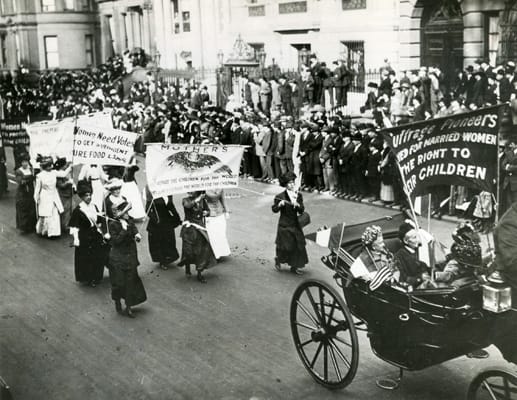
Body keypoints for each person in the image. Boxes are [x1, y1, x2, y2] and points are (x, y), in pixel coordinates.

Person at [106, 201, 147, 318]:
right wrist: (124, 230)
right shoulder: (113, 224)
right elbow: (116, 241)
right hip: (118, 258)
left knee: (130, 282)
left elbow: (134, 228)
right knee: (118, 283)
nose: (128, 214)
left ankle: (129, 306)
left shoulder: (129, 220)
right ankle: (117, 301)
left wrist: (137, 234)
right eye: (125, 212)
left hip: (130, 256)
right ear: (119, 214)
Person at [69, 181, 106, 287]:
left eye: (90, 195)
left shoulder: (94, 206)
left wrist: (101, 229)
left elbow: (99, 220)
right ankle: (88, 278)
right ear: (81, 197)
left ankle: (97, 276)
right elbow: (74, 226)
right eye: (86, 195)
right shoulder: (78, 210)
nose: (89, 197)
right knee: (86, 258)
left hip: (95, 234)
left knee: (98, 256)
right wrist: (76, 239)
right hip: (84, 236)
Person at [272, 172, 308, 275]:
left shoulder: (298, 195)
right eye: (289, 183)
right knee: (286, 246)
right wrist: (279, 205)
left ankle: (295, 266)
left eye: (293, 183)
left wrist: (298, 205)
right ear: (285, 184)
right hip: (284, 224)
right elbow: (274, 209)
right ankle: (278, 259)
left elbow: (301, 210)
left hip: (295, 223)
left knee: (298, 245)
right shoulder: (280, 196)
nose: (292, 185)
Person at [178, 191, 216, 283]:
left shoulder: (203, 201)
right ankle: (187, 267)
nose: (190, 192)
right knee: (189, 250)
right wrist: (197, 199)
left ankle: (199, 272)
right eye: (189, 190)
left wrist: (206, 212)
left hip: (200, 228)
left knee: (201, 251)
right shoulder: (185, 200)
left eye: (192, 190)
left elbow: (208, 211)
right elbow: (188, 205)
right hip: (189, 228)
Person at [34, 156, 72, 238]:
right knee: (46, 214)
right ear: (44, 167)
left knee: (54, 213)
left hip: (54, 195)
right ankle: (44, 231)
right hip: (45, 197)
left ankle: (53, 232)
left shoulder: (54, 172)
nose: (50, 167)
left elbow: (63, 174)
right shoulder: (40, 176)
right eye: (48, 166)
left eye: (51, 165)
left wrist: (70, 167)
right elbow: (37, 189)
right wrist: (36, 198)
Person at [145, 187, 181, 270]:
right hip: (157, 222)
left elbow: (171, 206)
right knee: (159, 242)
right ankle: (162, 261)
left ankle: (169, 257)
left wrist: (177, 218)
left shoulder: (169, 193)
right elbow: (147, 209)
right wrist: (155, 219)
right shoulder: (153, 193)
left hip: (167, 220)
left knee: (169, 239)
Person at [393, 221, 433, 289]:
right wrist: (420, 278)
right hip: (415, 290)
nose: (418, 240)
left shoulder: (419, 251)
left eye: (418, 236)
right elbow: (403, 278)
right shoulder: (399, 256)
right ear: (406, 241)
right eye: (414, 238)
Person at [205, 189, 231, 260]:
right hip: (209, 213)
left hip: (220, 213)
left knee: (221, 234)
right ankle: (214, 254)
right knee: (212, 235)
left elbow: (223, 199)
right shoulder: (203, 187)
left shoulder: (220, 187)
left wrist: (227, 211)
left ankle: (221, 252)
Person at [14, 153, 36, 233]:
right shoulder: (19, 171)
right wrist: (30, 179)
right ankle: (25, 227)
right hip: (22, 193)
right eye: (23, 162)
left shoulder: (31, 169)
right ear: (21, 162)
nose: (25, 163)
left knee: (31, 208)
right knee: (24, 209)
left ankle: (31, 226)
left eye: (26, 161)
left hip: (30, 191)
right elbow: (21, 182)